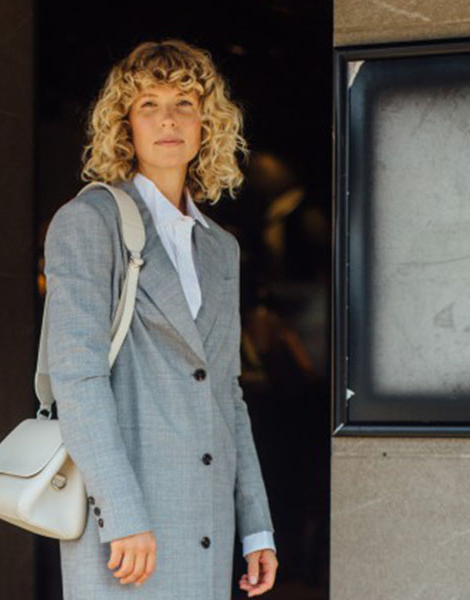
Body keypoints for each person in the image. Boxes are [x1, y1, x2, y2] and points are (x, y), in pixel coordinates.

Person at [43, 39, 278, 599]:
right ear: (125, 123)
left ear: (206, 123)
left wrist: (257, 526)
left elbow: (227, 393)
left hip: (207, 522)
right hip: (125, 526)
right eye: (148, 104)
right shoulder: (88, 221)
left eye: (184, 104)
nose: (168, 119)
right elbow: (77, 379)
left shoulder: (220, 248)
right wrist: (122, 513)